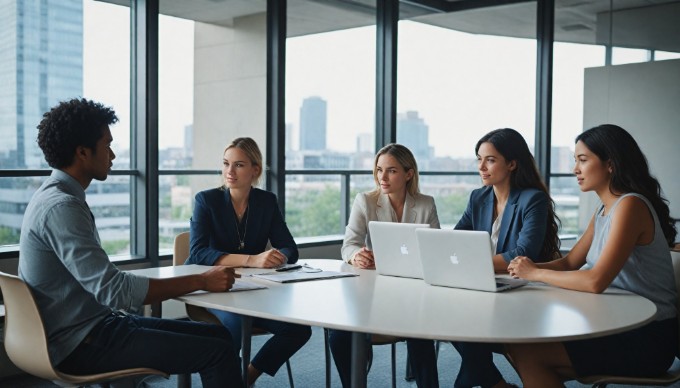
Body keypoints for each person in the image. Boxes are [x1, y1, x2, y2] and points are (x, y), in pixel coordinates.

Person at [18, 98, 243, 387]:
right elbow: (114, 291)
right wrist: (202, 280)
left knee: (219, 336)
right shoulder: (62, 206)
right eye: (107, 145)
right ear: (83, 152)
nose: (112, 155)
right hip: (80, 343)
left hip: (94, 326)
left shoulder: (53, 195)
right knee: (219, 351)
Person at [506, 124, 678, 388]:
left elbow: (595, 281)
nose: (575, 169)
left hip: (648, 334)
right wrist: (518, 269)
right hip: (613, 320)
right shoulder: (603, 210)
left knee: (528, 353)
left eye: (583, 160)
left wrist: (535, 273)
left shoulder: (630, 205)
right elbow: (569, 262)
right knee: (519, 346)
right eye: (575, 160)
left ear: (610, 164)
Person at [187, 137, 311, 386]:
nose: (229, 172)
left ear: (255, 169)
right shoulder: (206, 200)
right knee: (234, 322)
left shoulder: (266, 201)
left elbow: (289, 247)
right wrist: (252, 259)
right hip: (215, 288)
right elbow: (198, 253)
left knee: (299, 329)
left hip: (255, 290)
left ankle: (246, 377)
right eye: (225, 164)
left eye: (239, 165)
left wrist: (279, 256)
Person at [451, 128, 561, 388]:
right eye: (479, 159)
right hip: (486, 286)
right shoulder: (478, 197)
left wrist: (473, 262)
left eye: (490, 159)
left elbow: (522, 254)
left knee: (461, 323)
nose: (481, 167)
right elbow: (457, 241)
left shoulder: (532, 199)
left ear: (512, 163)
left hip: (520, 289)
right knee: (449, 315)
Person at [330, 143, 440, 387]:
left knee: (420, 331)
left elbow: (435, 251)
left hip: (413, 294)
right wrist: (356, 255)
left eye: (391, 170)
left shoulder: (425, 204)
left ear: (408, 174)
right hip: (372, 294)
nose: (382, 177)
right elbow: (348, 244)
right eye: (379, 170)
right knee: (338, 335)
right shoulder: (365, 201)